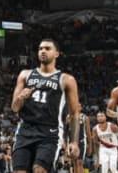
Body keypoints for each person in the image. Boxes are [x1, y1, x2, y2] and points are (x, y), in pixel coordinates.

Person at [10, 39, 81, 173]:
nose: (43, 51)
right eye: (40, 48)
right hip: (25, 130)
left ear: (57, 53)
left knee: (39, 170)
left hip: (50, 132)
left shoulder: (66, 79)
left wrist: (74, 141)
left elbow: (74, 113)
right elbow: (14, 108)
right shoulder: (25, 75)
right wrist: (21, 97)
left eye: (47, 48)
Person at [65, 106, 92, 173]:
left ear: (81, 108)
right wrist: (65, 144)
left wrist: (90, 146)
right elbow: (66, 132)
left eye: (78, 105)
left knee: (79, 162)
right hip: (71, 142)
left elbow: (88, 133)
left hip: (81, 142)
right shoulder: (68, 117)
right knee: (74, 163)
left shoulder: (85, 117)